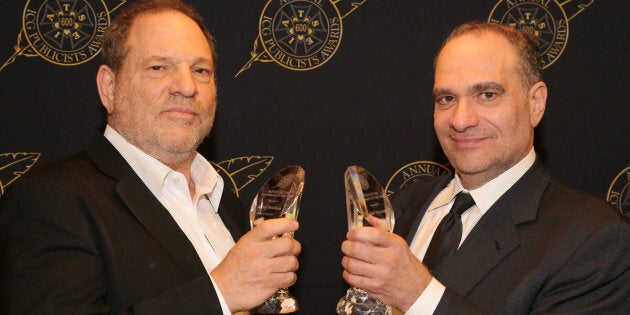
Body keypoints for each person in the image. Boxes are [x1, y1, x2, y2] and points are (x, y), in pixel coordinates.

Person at [0, 0, 301, 314]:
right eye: (158, 67)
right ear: (109, 87)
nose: (186, 86)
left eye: (201, 70)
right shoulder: (49, 200)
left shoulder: (222, 200)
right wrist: (220, 294)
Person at [340, 21, 630, 314]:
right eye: (447, 99)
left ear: (535, 103)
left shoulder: (594, 240)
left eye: (487, 95)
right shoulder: (402, 207)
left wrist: (419, 295)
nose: (461, 119)